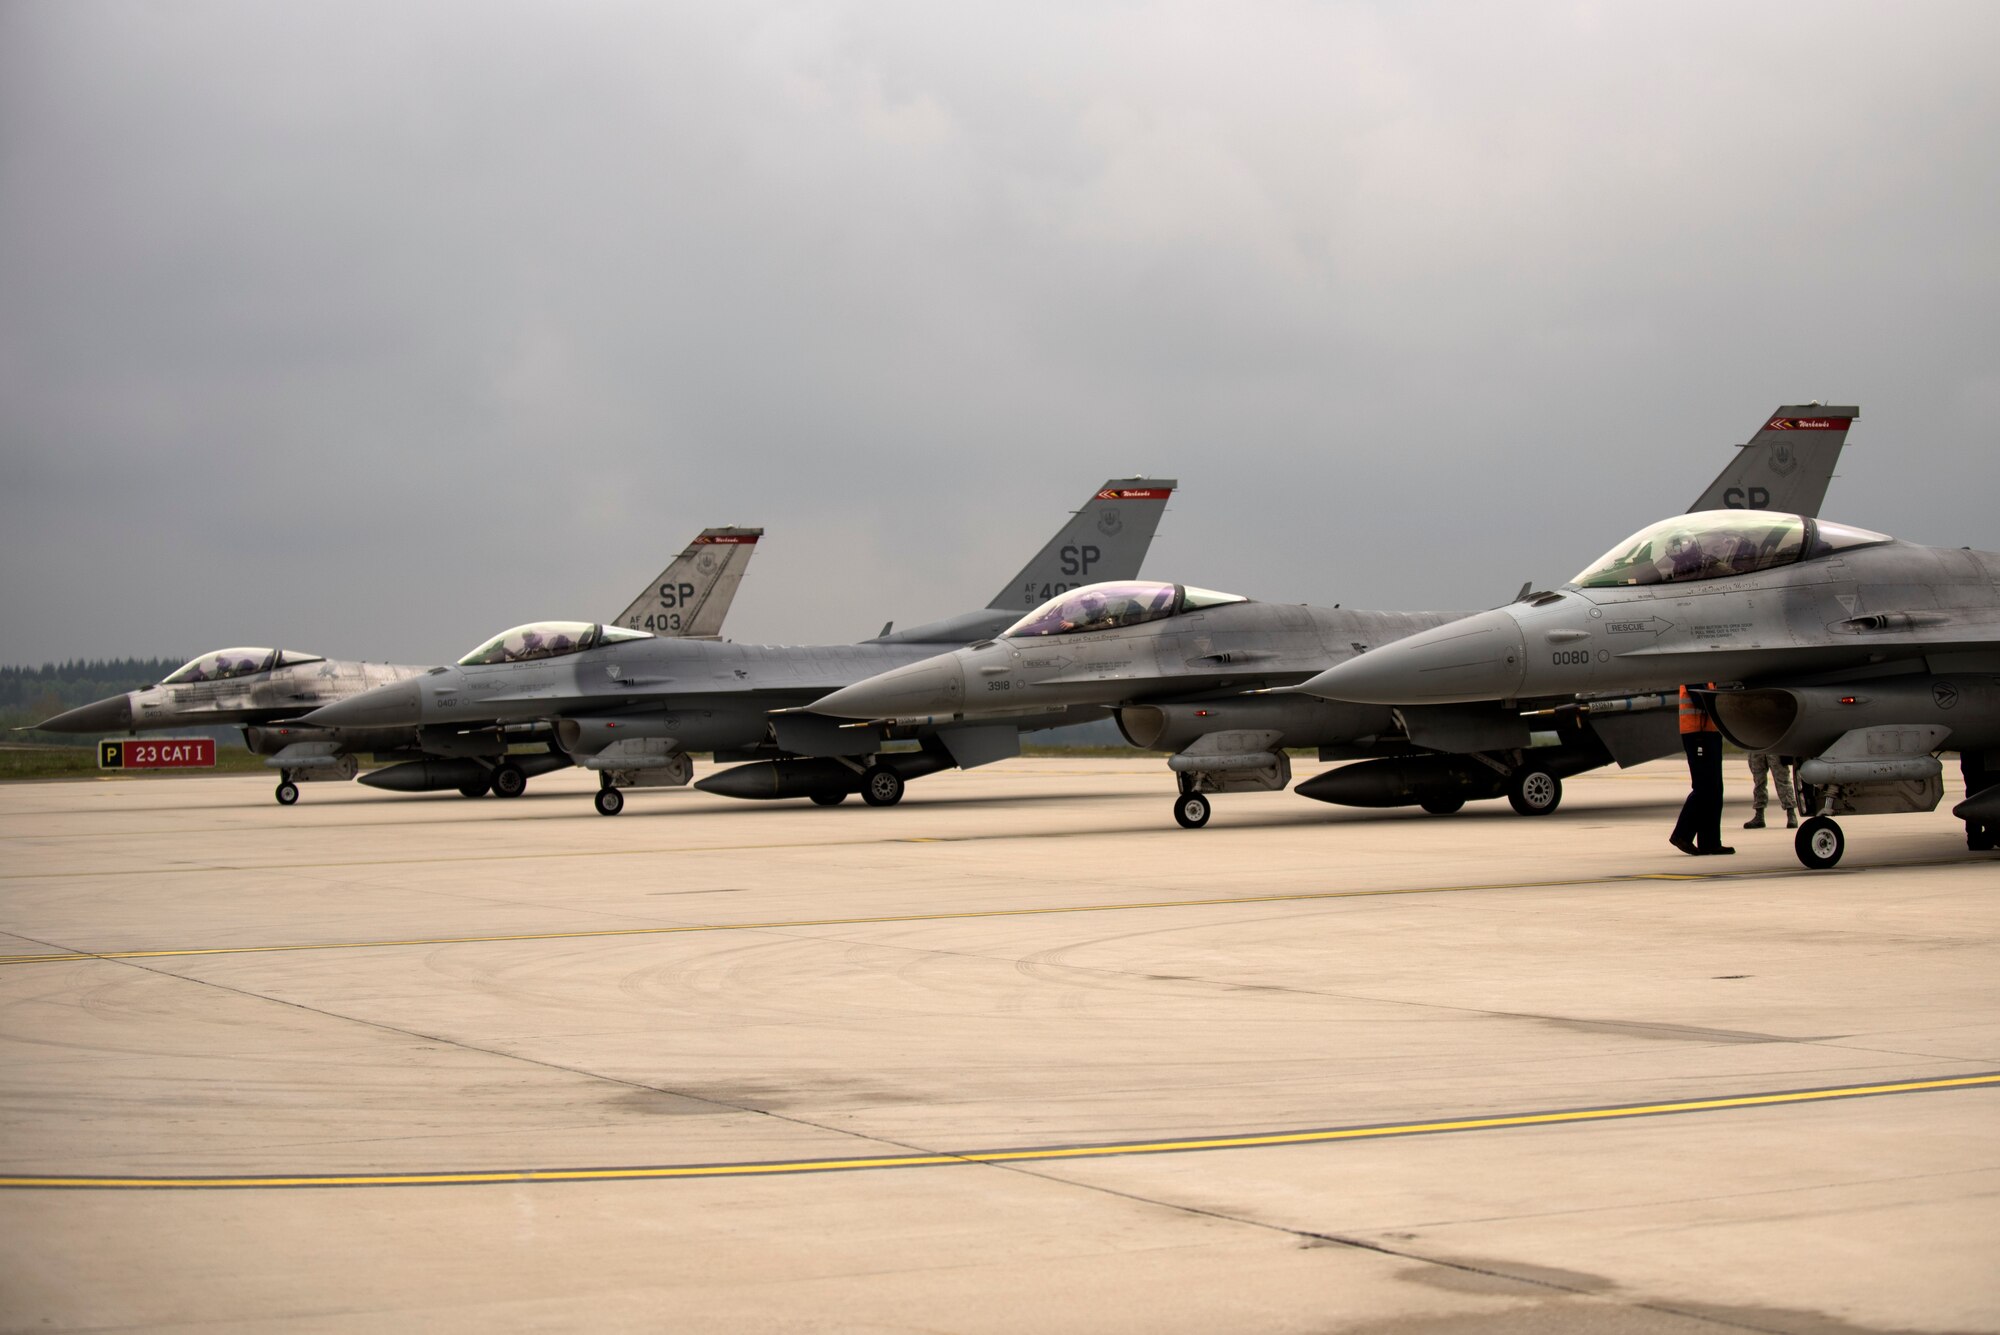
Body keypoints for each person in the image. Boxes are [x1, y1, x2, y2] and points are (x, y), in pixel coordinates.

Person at [1670, 684, 1733, 856]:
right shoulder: (1695, 672)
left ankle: (1710, 842)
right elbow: (1701, 700)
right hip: (1697, 733)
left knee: (1715, 788)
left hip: (1709, 732)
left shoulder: (1709, 675)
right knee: (1704, 787)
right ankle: (1681, 834)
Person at [1744, 752, 1798, 829]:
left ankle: (1791, 814)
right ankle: (1759, 816)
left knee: (1782, 780)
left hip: (1773, 746)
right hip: (1756, 746)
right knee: (1758, 782)